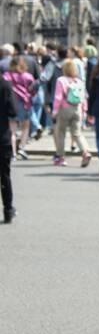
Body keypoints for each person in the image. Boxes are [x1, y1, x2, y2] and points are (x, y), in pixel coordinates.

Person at [52, 58, 92, 167]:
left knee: (60, 133)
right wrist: (84, 110)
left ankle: (61, 158)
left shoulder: (61, 80)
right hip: (77, 109)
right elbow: (84, 97)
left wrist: (55, 110)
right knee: (77, 133)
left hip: (64, 109)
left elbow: (58, 97)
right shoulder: (79, 81)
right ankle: (85, 152)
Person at [4, 56, 36, 160]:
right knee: (25, 127)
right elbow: (33, 90)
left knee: (12, 129)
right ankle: (22, 147)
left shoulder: (6, 76)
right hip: (24, 103)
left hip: (10, 103)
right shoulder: (28, 76)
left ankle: (12, 153)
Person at [0, 73, 16, 223]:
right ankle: (8, 209)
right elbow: (13, 111)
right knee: (4, 175)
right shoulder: (5, 85)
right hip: (2, 136)